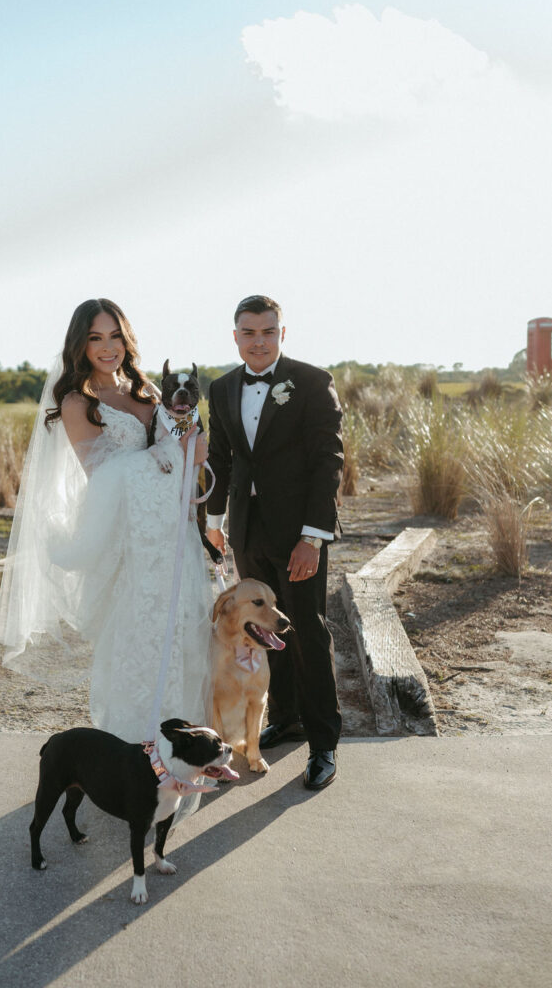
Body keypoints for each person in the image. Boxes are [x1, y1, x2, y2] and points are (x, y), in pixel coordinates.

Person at [0, 299, 213, 746]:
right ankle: (137, 745)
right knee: (140, 639)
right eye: (96, 338)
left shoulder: (147, 388)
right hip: (128, 541)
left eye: (114, 336)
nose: (107, 347)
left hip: (172, 533)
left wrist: (194, 450)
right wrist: (158, 456)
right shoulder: (77, 402)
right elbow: (103, 478)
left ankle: (188, 747)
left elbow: (179, 444)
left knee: (183, 633)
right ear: (81, 344)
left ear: (126, 339)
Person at [205, 295, 344, 790]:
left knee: (306, 628)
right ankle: (287, 717)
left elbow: (329, 460)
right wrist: (215, 519)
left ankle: (324, 741)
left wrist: (313, 537)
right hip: (246, 528)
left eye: (267, 331)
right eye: (249, 332)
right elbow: (220, 459)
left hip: (298, 533)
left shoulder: (311, 382)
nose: (258, 341)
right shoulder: (221, 389)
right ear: (236, 336)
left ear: (282, 334)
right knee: (265, 631)